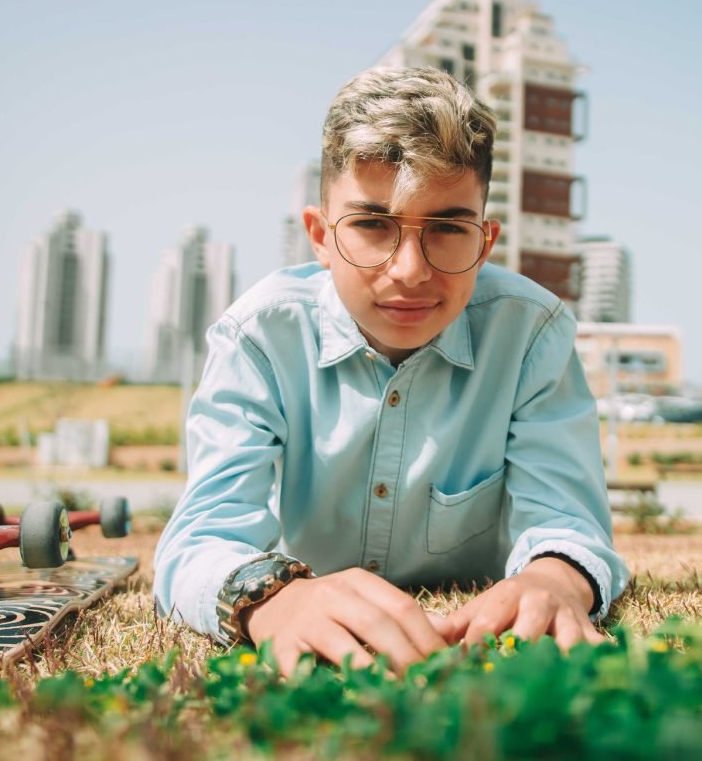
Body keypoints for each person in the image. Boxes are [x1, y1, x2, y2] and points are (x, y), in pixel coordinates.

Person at [154, 66, 629, 675]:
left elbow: (567, 520)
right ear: (320, 236)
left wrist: (555, 580)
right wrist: (269, 600)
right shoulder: (259, 337)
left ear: (484, 243)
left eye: (448, 228)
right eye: (373, 224)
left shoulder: (531, 334)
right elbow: (199, 539)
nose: (409, 270)